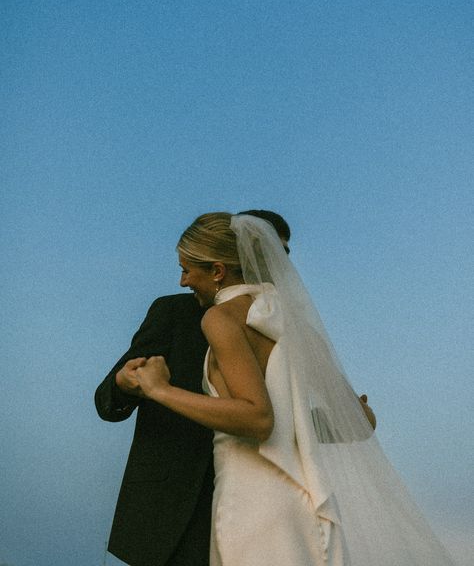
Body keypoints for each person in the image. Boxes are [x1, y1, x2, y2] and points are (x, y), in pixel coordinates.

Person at [133, 212, 456, 566]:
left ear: (217, 271)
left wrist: (158, 389)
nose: (182, 281)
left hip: (253, 502)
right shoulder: (294, 322)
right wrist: (300, 419)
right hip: (302, 499)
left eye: (187, 269)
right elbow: (362, 420)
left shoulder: (220, 318)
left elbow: (258, 418)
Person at [95, 210, 297, 566]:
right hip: (171, 511)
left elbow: (279, 412)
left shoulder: (283, 324)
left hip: (258, 500)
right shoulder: (172, 312)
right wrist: (125, 383)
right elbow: (107, 398)